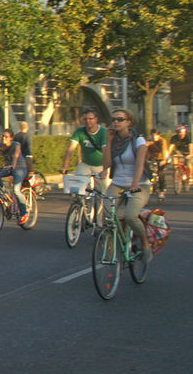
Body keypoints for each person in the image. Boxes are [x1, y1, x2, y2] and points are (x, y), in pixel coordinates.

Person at [101, 109, 152, 268]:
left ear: (128, 122)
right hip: (118, 183)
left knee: (130, 216)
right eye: (114, 119)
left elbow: (140, 164)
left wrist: (135, 183)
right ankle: (118, 249)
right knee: (107, 216)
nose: (116, 122)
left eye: (120, 119)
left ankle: (144, 243)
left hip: (139, 184)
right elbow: (107, 164)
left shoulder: (139, 141)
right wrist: (108, 141)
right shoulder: (113, 141)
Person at [0, 128, 29, 225]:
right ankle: (5, 195)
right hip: (9, 167)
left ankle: (24, 213)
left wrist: (13, 165)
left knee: (16, 190)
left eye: (6, 137)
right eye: (3, 136)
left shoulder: (16, 144)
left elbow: (16, 156)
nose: (4, 138)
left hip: (20, 167)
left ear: (11, 138)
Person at [60, 108, 108, 189]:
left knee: (103, 191)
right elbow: (70, 149)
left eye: (90, 119)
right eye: (85, 119)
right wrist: (64, 166)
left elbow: (106, 152)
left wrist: (105, 169)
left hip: (101, 165)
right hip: (86, 163)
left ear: (96, 119)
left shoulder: (103, 131)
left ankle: (99, 200)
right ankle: (80, 199)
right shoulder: (80, 131)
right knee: (79, 186)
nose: (88, 121)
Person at [146, 129, 169, 202]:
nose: (153, 137)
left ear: (158, 135)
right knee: (147, 173)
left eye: (155, 136)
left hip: (161, 158)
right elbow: (144, 150)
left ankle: (162, 190)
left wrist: (164, 160)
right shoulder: (148, 141)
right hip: (152, 158)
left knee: (160, 173)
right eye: (152, 135)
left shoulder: (162, 141)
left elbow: (164, 150)